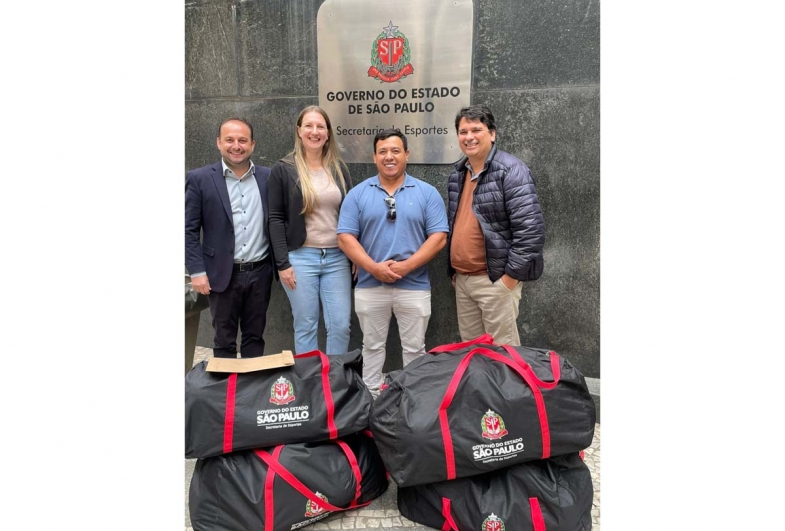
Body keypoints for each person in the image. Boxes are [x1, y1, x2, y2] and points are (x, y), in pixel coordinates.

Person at [337, 129, 449, 396]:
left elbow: (439, 237)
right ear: (374, 157)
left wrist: (407, 266)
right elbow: (345, 238)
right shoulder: (357, 194)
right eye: (383, 151)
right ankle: (370, 399)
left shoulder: (427, 192)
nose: (389, 157)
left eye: (396, 151)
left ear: (407, 154)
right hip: (370, 285)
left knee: (415, 349)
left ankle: (414, 399)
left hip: (414, 286)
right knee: (372, 347)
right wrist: (373, 268)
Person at [447, 104, 545, 346]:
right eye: (463, 132)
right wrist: (456, 272)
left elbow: (530, 231)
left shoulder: (511, 170)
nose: (469, 137)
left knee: (503, 355)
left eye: (476, 130)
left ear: (492, 134)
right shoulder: (457, 174)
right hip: (464, 281)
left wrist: (508, 279)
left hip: (495, 281)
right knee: (472, 352)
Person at [185, 117, 274, 358]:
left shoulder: (268, 177)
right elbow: (188, 230)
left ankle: (251, 382)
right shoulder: (200, 178)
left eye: (242, 140)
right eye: (230, 140)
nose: (236, 146)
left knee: (255, 337)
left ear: (252, 144)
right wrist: (196, 271)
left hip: (260, 272)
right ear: (218, 143)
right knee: (223, 340)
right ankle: (226, 383)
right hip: (221, 274)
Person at [267, 106, 353, 355]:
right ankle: (309, 377)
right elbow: (275, 218)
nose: (315, 131)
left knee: (340, 326)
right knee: (306, 325)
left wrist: (355, 254)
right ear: (299, 130)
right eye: (309, 126)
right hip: (300, 257)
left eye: (320, 127)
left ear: (328, 133)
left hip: (337, 257)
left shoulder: (338, 168)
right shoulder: (284, 169)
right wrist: (282, 263)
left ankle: (335, 375)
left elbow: (350, 214)